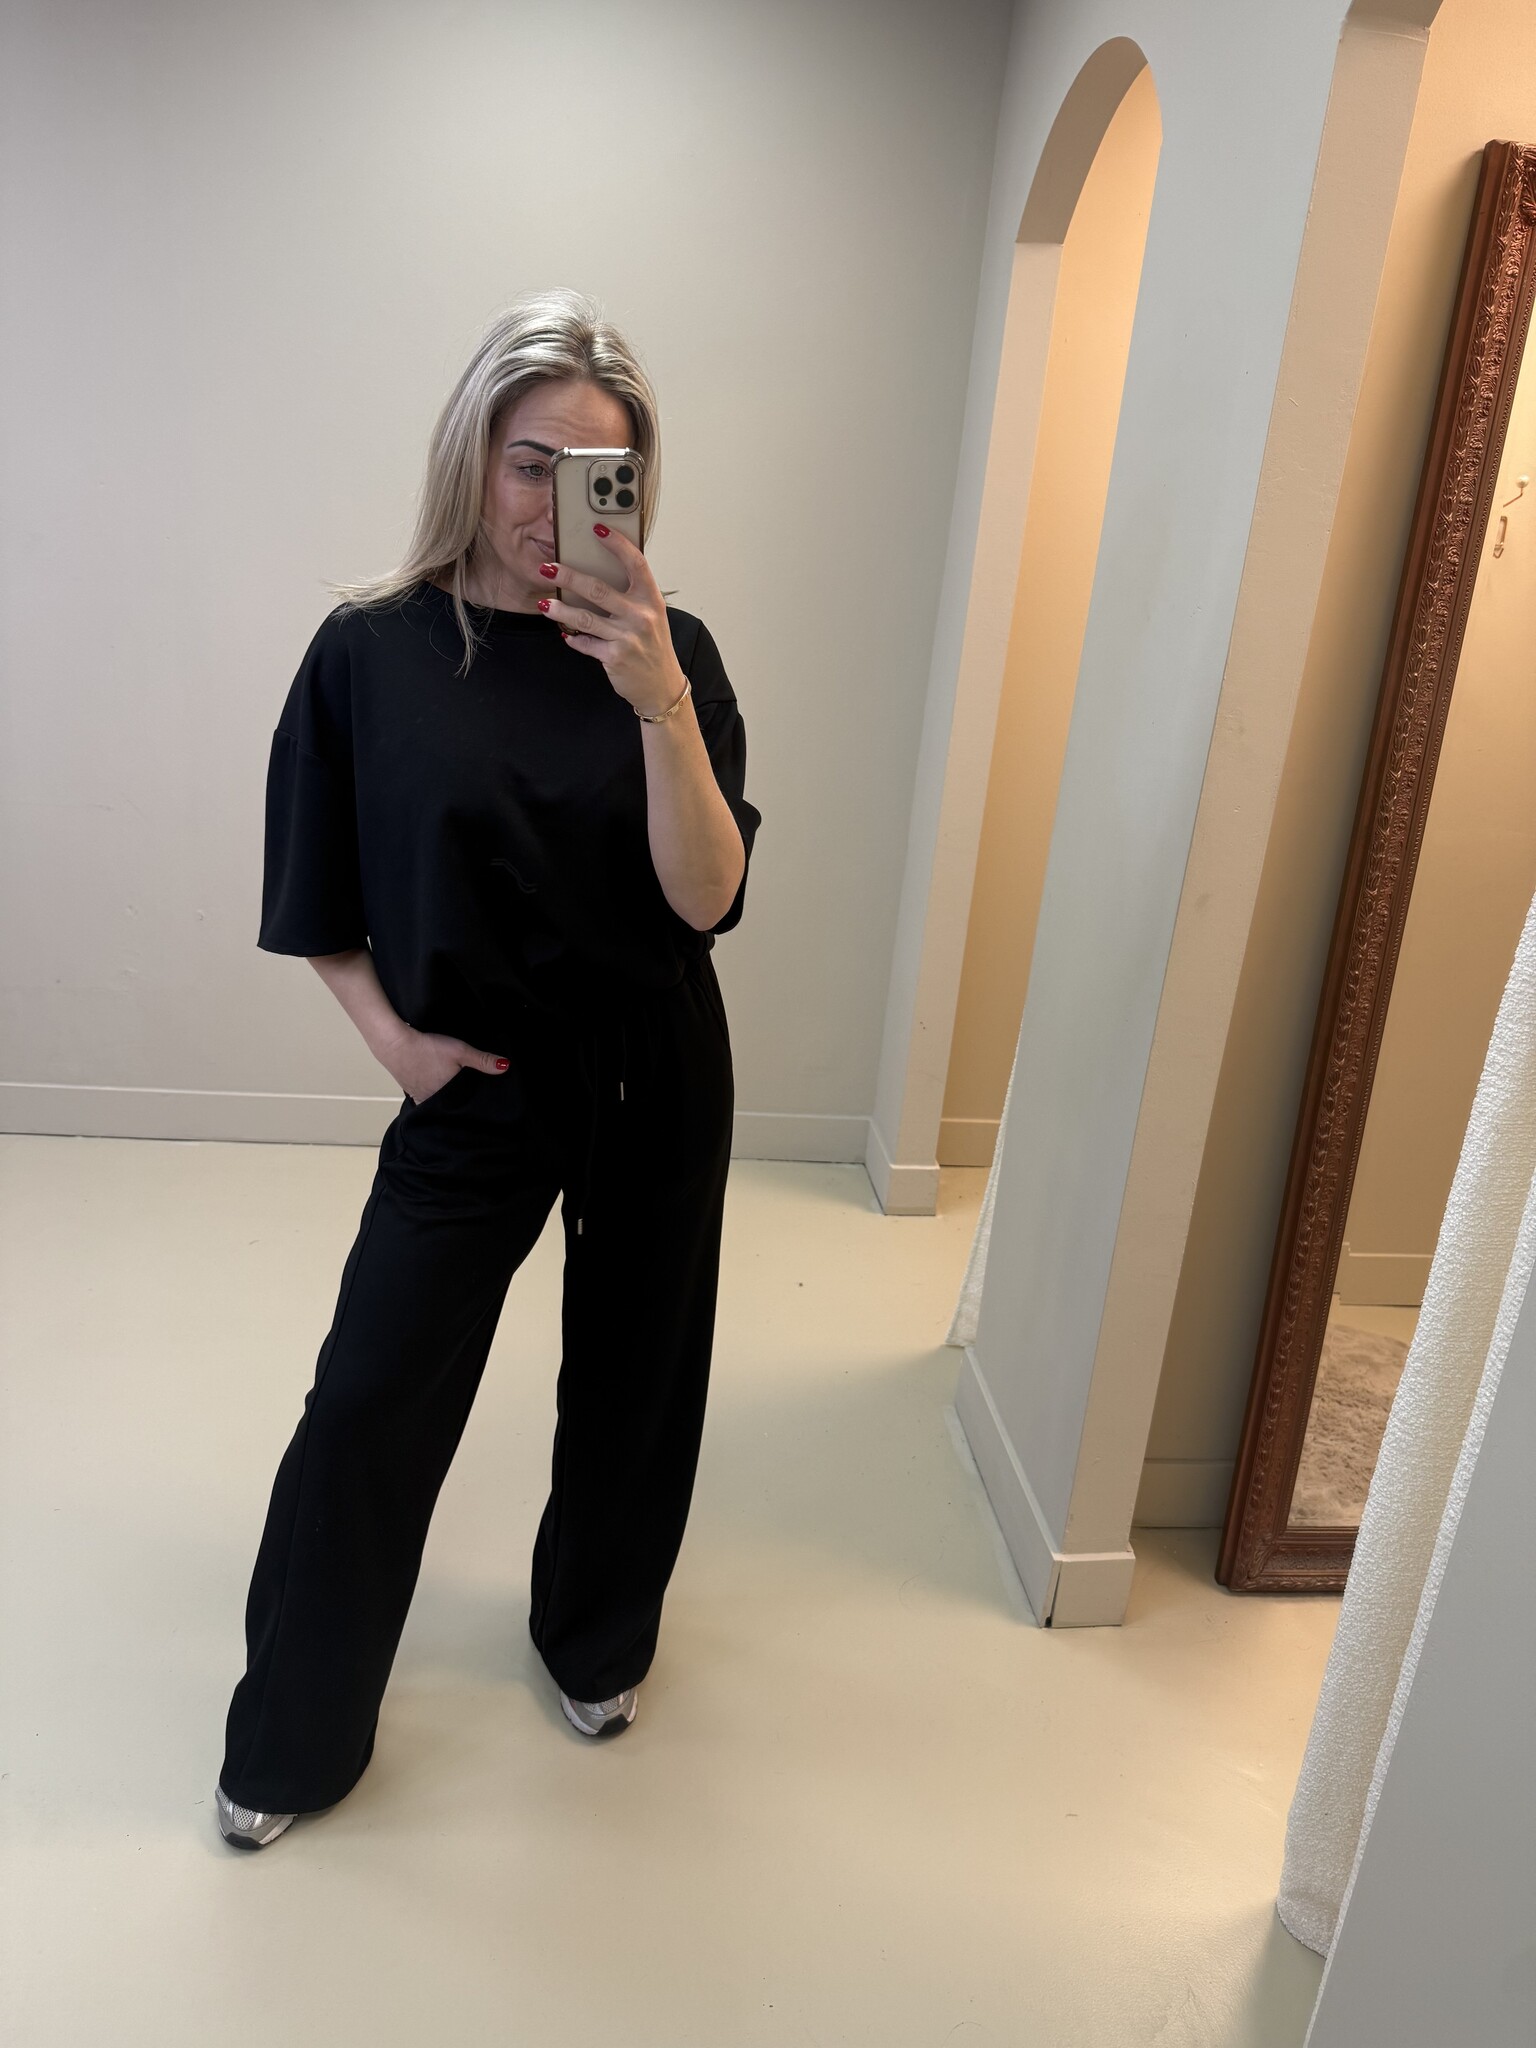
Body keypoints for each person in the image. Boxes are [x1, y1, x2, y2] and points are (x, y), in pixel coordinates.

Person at [214, 289, 762, 1850]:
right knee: (371, 1398)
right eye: (533, 465)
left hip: (655, 1067)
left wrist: (656, 700)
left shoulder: (674, 653)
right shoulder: (371, 652)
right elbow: (315, 887)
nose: (556, 506)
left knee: (639, 1378)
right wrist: (400, 1048)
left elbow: (706, 898)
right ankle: (294, 1736)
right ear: (472, 456)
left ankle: (595, 1640)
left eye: (601, 477)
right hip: (477, 1079)